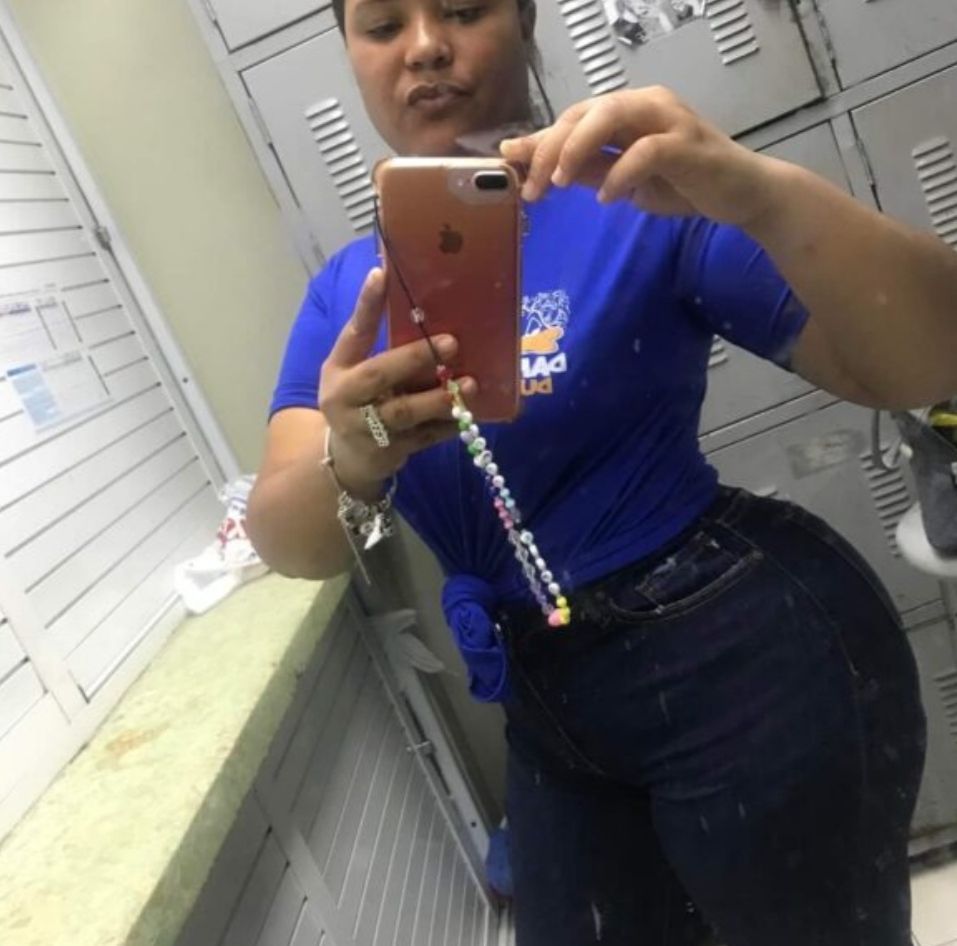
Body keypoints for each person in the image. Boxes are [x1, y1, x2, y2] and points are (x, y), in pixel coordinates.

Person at [246, 1, 957, 943]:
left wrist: (761, 193)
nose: (423, 47)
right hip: (548, 713)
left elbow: (920, 364)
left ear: (524, 21)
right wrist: (351, 455)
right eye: (381, 25)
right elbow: (290, 543)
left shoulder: (639, 198)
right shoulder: (347, 293)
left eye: (461, 9)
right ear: (350, 53)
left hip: (741, 658)